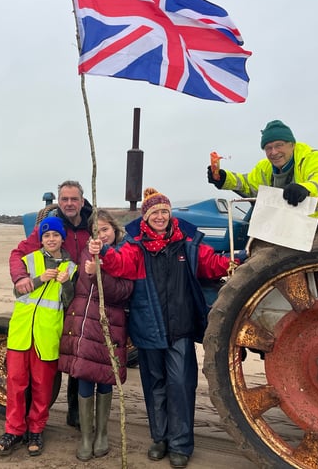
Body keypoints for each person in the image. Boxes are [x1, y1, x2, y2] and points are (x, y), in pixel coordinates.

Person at [88, 188, 234, 469]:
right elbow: (119, 265)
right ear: (146, 216)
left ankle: (181, 444)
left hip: (180, 329)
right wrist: (103, 250)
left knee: (180, 385)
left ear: (170, 214)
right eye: (154, 212)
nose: (160, 217)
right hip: (147, 327)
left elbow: (211, 264)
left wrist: (234, 262)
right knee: (154, 386)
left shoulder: (187, 245)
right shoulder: (136, 247)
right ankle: (160, 439)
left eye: (164, 212)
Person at [9, 179, 93, 428]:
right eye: (64, 199)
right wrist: (21, 276)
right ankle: (27, 418)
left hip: (84, 295)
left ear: (82, 200)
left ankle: (76, 410)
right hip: (58, 297)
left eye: (73, 199)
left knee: (81, 352)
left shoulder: (92, 224)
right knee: (47, 359)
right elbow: (18, 254)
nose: (69, 203)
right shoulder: (50, 226)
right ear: (59, 200)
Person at [0, 217, 78, 457]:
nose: (51, 240)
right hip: (21, 334)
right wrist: (41, 279)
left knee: (42, 387)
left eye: (55, 235)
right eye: (46, 236)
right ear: (40, 239)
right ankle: (13, 430)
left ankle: (36, 430)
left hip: (47, 335)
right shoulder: (29, 260)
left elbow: (70, 303)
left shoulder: (71, 268)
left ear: (62, 238)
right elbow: (17, 291)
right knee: (16, 384)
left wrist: (66, 284)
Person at [59, 209, 133, 461]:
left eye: (105, 230)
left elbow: (123, 292)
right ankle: (86, 436)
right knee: (83, 377)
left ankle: (101, 433)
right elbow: (78, 284)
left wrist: (98, 272)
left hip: (108, 323)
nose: (101, 235)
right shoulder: (85, 252)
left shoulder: (125, 253)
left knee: (104, 376)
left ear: (114, 230)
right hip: (82, 323)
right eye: (96, 231)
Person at [206, 119, 318, 217]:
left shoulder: (314, 158)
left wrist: (305, 189)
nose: (274, 152)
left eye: (279, 145)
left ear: (292, 145)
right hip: (285, 228)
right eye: (268, 148)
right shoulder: (265, 168)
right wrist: (224, 179)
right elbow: (248, 183)